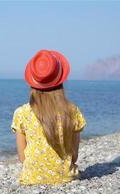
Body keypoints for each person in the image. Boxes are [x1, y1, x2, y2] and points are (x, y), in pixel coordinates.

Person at [11, 49, 86, 185]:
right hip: (66, 177)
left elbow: (22, 158)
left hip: (31, 178)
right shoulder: (72, 111)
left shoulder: (21, 113)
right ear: (60, 81)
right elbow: (74, 157)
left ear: (32, 82)